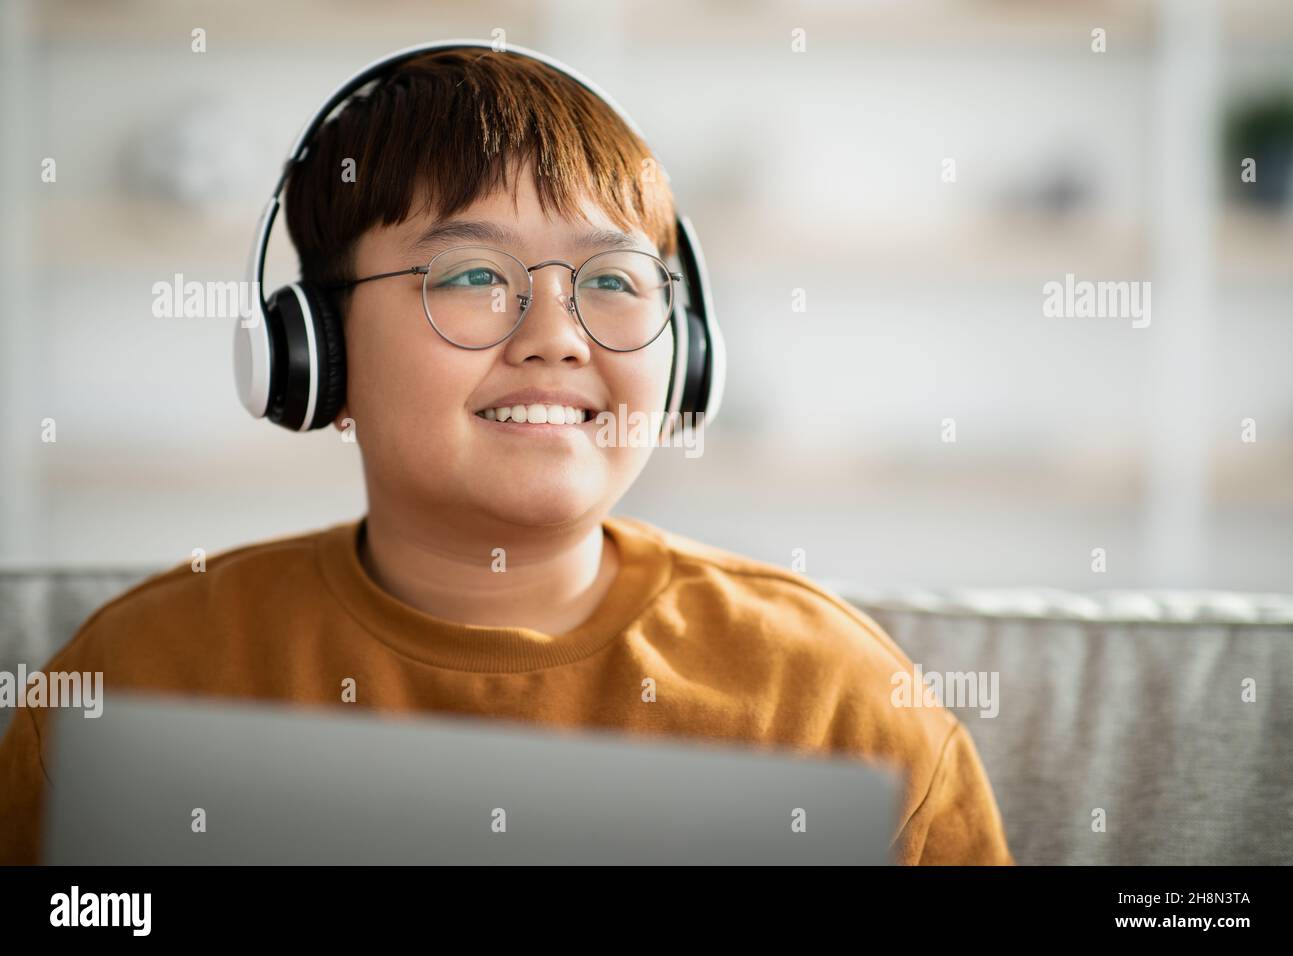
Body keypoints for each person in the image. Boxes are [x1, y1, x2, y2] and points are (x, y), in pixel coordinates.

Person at [0, 47, 1012, 865]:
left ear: (686, 351)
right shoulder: (136, 676)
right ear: (314, 351)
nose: (557, 334)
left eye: (614, 279)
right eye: (476, 272)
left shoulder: (835, 699)